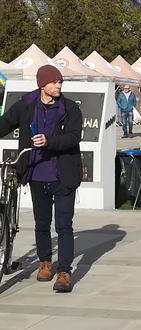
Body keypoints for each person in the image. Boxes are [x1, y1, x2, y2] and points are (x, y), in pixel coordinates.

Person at [0, 65, 83, 293]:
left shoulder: (70, 108)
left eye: (60, 82)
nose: (58, 86)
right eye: (54, 82)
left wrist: (49, 141)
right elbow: (5, 123)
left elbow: (74, 138)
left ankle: (64, 271)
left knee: (64, 226)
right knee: (41, 224)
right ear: (42, 84)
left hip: (63, 175)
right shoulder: (26, 105)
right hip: (36, 174)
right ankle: (45, 263)